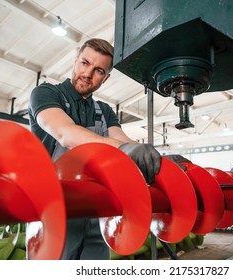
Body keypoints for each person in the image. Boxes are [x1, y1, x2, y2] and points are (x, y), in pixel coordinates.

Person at [28, 38, 162, 260]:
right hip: (54, 211)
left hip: (97, 214)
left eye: (98, 70)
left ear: (106, 78)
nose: (88, 73)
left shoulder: (104, 111)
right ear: (75, 61)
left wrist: (161, 161)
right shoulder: (46, 94)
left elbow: (124, 141)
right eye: (84, 63)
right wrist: (126, 149)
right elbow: (66, 133)